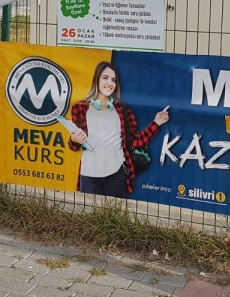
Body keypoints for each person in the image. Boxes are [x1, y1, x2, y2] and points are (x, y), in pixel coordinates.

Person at [66, 61, 169, 198]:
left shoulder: (123, 110)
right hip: (89, 175)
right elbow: (74, 146)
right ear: (97, 78)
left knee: (115, 217)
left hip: (116, 175)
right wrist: (74, 139)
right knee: (90, 217)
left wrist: (156, 123)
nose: (110, 83)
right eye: (105, 78)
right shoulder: (80, 108)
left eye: (113, 80)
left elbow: (136, 142)